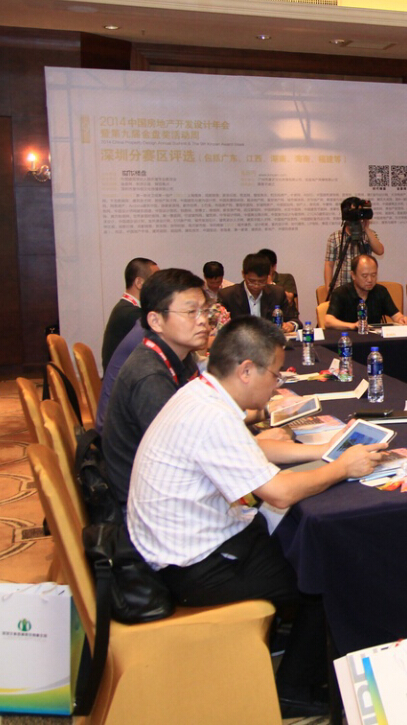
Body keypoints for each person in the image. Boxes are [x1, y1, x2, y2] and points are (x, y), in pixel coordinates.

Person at [127, 317, 387, 717]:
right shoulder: (212, 416)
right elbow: (279, 493)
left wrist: (326, 450)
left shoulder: (202, 393)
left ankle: (293, 645)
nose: (277, 383)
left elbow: (253, 452)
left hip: (181, 544)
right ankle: (295, 686)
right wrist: (342, 468)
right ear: (246, 370)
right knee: (326, 572)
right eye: (275, 373)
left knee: (298, 541)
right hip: (192, 566)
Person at [102, 269, 209, 507]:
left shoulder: (178, 355)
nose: (203, 320)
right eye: (191, 312)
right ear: (155, 321)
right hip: (147, 503)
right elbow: (185, 454)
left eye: (204, 311)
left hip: (162, 484)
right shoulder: (150, 376)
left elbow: (196, 417)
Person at [323, 254, 407, 329]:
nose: (370, 280)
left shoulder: (381, 291)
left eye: (373, 275)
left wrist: (402, 319)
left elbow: (396, 315)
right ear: (353, 275)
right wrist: (352, 326)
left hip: (374, 339)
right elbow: (328, 321)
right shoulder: (341, 293)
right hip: (348, 338)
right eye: (365, 276)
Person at [219, 253, 300, 333]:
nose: (256, 285)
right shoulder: (227, 295)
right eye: (252, 281)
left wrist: (291, 325)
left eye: (261, 281)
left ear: (268, 277)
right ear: (243, 274)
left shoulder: (277, 293)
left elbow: (294, 319)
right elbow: (220, 328)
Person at [101, 257, 157, 370]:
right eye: (156, 281)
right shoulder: (130, 314)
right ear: (139, 283)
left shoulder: (125, 308)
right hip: (121, 380)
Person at [323, 196, 385, 291]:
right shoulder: (335, 237)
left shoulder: (368, 235)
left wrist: (366, 228)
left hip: (364, 288)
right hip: (342, 287)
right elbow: (329, 264)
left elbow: (380, 251)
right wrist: (328, 288)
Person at [257, 248, 299, 319]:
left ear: (274, 267)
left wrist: (270, 284)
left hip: (284, 319)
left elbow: (289, 299)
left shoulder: (286, 278)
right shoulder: (255, 282)